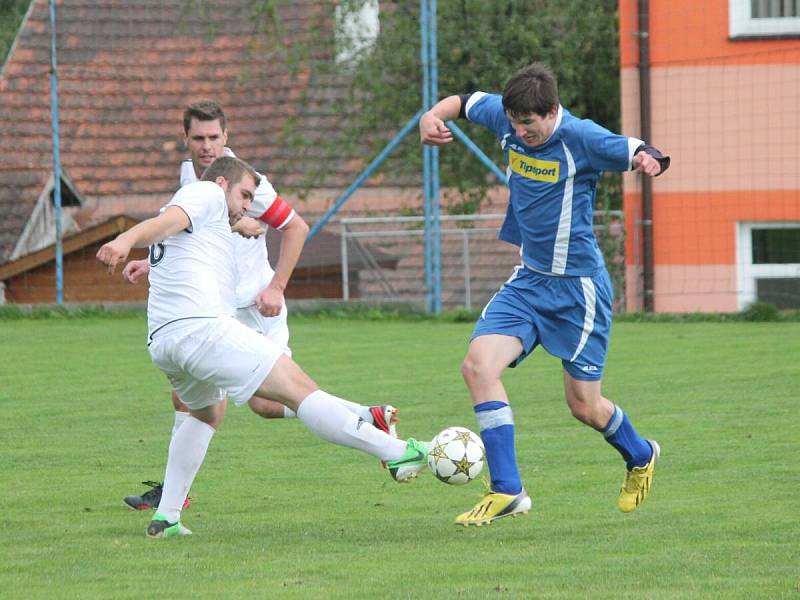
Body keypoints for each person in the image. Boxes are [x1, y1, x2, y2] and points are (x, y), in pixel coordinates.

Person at [97, 156, 429, 538]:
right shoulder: (204, 191)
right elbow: (163, 224)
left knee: (205, 415)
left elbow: (181, 241)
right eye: (244, 195)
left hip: (165, 342)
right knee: (299, 391)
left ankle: (167, 518)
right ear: (222, 183)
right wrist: (125, 239)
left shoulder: (207, 220)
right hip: (203, 330)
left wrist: (151, 261)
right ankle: (397, 453)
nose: (246, 204)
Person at [419, 63, 670, 526]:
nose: (520, 132)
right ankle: (507, 489)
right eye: (515, 123)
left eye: (529, 125)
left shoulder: (580, 137)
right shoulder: (508, 115)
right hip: (529, 282)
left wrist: (647, 158)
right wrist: (431, 116)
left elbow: (632, 146)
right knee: (477, 366)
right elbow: (464, 99)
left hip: (579, 292)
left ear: (552, 111)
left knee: (584, 407)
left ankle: (640, 454)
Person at [121, 101, 398, 511]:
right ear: (186, 140)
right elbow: (196, 233)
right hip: (216, 309)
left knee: (272, 401)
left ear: (226, 137)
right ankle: (172, 496)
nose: (207, 145)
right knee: (200, 401)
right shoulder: (193, 179)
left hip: (253, 305)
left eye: (214, 137)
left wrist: (277, 287)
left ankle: (368, 421)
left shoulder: (247, 181)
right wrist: (152, 261)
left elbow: (296, 227)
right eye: (198, 138)